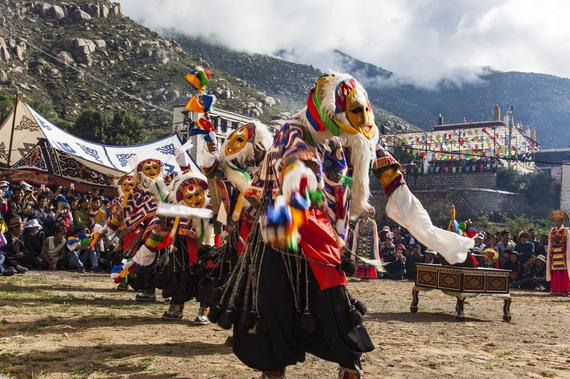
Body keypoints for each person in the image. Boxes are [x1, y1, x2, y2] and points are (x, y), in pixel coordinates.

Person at [212, 73, 473, 378]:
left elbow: (389, 176)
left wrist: (434, 235)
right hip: (281, 233)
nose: (362, 118)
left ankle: (350, 368)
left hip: (322, 233)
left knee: (335, 303)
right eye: (355, 111)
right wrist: (296, 207)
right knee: (274, 304)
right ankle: (274, 370)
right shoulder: (292, 132)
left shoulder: (347, 137)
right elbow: (298, 176)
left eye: (363, 112)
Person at [351, 208, 381, 279]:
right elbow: (356, 233)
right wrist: (355, 242)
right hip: (360, 242)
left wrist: (374, 244)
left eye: (367, 213)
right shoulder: (359, 222)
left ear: (369, 214)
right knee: (361, 258)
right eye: (364, 213)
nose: (365, 215)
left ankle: (368, 275)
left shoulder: (373, 222)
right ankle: (361, 275)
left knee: (369, 257)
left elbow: (375, 234)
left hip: (369, 243)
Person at [546, 210, 570, 296]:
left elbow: (569, 245)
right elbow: (549, 244)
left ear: (562, 221)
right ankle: (556, 290)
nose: (557, 222)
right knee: (555, 273)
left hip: (564, 255)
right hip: (554, 254)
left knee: (564, 273)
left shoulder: (566, 231)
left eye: (559, 220)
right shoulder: (552, 231)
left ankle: (565, 290)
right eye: (555, 220)